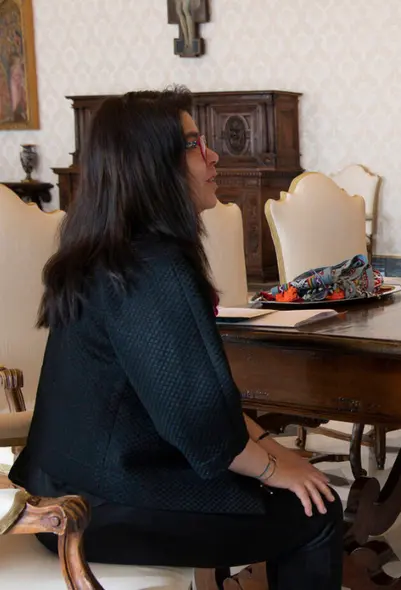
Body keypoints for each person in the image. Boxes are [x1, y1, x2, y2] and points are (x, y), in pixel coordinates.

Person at [9, 87, 343, 590]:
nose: (212, 156)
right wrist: (278, 467)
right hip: (97, 509)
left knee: (294, 483)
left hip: (65, 490)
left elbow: (198, 403)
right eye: (192, 144)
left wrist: (273, 452)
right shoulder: (152, 266)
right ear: (150, 164)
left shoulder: (113, 251)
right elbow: (198, 423)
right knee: (316, 511)